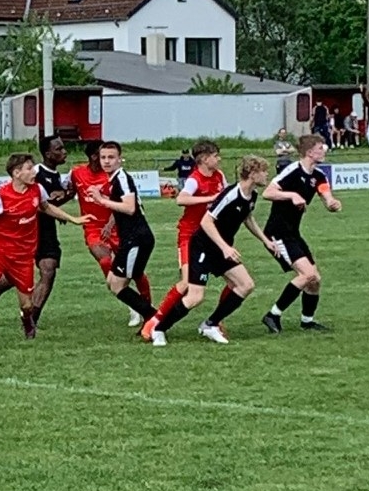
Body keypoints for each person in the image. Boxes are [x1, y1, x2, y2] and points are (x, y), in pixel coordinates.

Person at [149, 156, 279, 346]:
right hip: (203, 247)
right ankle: (159, 329)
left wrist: (266, 241)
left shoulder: (252, 195)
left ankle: (210, 324)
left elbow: (247, 218)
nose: (267, 174)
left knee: (246, 285)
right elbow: (206, 221)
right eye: (263, 171)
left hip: (221, 249)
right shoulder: (231, 194)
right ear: (252, 173)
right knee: (195, 297)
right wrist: (225, 247)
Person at [0, 153, 86, 345]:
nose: (34, 172)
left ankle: (27, 322)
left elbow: (46, 207)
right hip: (0, 253)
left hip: (24, 258)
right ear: (16, 173)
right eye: (29, 168)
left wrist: (73, 219)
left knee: (27, 305)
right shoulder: (1, 196)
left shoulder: (37, 190)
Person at [0, 134, 73, 325]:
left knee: (48, 271)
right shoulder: (34, 173)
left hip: (47, 232)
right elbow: (35, 203)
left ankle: (31, 319)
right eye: (59, 149)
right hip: (27, 232)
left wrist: (66, 198)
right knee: (13, 277)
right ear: (48, 154)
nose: (64, 152)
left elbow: (47, 203)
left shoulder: (55, 175)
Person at [259, 134, 342, 333]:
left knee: (315, 280)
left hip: (293, 233)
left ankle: (307, 321)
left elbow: (327, 197)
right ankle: (273, 315)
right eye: (321, 148)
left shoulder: (319, 176)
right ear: (309, 152)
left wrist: (333, 203)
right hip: (277, 233)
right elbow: (267, 193)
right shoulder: (292, 171)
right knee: (307, 274)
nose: (324, 151)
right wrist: (292, 195)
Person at [69, 139, 155, 327]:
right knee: (113, 282)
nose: (106, 161)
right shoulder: (111, 178)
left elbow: (130, 208)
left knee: (118, 284)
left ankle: (154, 319)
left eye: (111, 157)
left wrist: (101, 200)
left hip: (136, 238)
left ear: (119, 159)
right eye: (103, 157)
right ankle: (150, 316)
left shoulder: (121, 178)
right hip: (130, 238)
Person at [143, 140, 225, 336]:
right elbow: (181, 199)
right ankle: (155, 321)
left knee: (239, 281)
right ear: (204, 159)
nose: (219, 159)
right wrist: (210, 198)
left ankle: (215, 322)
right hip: (191, 236)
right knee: (187, 283)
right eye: (215, 156)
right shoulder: (194, 179)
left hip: (212, 236)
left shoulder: (219, 176)